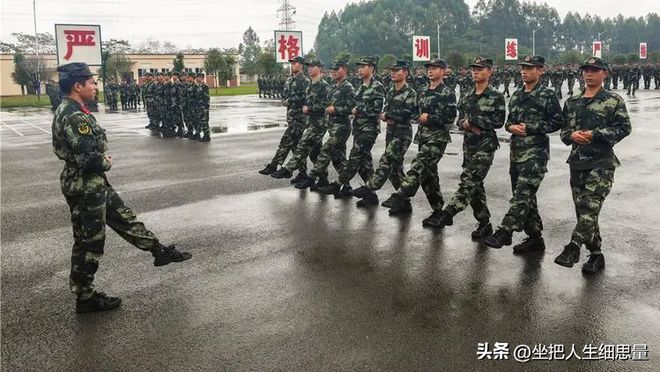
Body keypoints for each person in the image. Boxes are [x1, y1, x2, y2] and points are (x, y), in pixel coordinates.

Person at [51, 63, 192, 313]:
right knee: (89, 242)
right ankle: (85, 297)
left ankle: (159, 251)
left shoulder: (71, 109)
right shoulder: (73, 115)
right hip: (86, 185)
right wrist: (105, 161)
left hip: (91, 184)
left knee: (124, 218)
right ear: (77, 86)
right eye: (91, 83)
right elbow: (88, 158)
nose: (95, 87)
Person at [554, 57, 631, 274]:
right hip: (577, 163)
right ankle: (596, 254)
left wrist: (595, 135)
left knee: (590, 206)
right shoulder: (572, 102)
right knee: (585, 212)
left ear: (604, 73)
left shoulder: (613, 101)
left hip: (602, 163)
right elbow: (563, 133)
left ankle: (573, 247)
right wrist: (572, 135)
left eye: (595, 70)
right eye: (586, 70)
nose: (589, 73)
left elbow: (624, 128)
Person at [483, 55, 562, 252]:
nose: (524, 71)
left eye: (530, 68)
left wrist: (531, 128)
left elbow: (557, 122)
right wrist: (511, 128)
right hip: (516, 153)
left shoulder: (547, 95)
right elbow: (509, 121)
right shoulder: (517, 95)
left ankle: (506, 230)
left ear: (541, 70)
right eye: (523, 68)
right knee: (526, 197)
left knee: (523, 194)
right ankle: (535, 237)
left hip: (536, 154)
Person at [424, 57, 505, 240]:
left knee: (469, 179)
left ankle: (449, 213)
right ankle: (484, 223)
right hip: (469, 145)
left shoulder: (495, 96)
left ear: (489, 71)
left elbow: (499, 121)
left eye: (480, 69)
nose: (475, 71)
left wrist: (475, 122)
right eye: (473, 69)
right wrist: (465, 123)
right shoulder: (467, 96)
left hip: (485, 145)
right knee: (476, 186)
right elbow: (459, 119)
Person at [385, 58, 457, 223]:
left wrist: (430, 117)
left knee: (418, 166)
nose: (430, 71)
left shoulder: (447, 92)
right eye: (429, 68)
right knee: (428, 176)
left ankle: (401, 195)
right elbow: (416, 112)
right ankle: (438, 211)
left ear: (443, 71)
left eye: (435, 68)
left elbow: (450, 117)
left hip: (437, 138)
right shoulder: (423, 91)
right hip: (423, 137)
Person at [352, 60, 417, 207]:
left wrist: (389, 115)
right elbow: (385, 112)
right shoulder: (390, 91)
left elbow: (407, 114)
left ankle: (369, 188)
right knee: (395, 169)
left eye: (397, 70)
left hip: (402, 134)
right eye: (392, 70)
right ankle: (404, 202)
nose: (393, 73)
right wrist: (389, 116)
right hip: (391, 132)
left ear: (405, 73)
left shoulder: (410, 92)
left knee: (386, 160)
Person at [318, 56, 385, 197]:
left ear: (372, 68)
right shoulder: (361, 86)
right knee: (364, 164)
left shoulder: (377, 86)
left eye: (363, 66)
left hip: (369, 130)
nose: (360, 69)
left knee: (354, 158)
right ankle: (371, 195)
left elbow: (376, 110)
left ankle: (337, 185)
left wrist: (358, 110)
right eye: (359, 67)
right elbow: (352, 106)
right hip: (358, 129)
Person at [270, 59, 330, 184]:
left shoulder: (324, 86)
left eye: (312, 66)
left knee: (302, 146)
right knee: (315, 153)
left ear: (319, 68)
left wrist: (309, 108)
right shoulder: (310, 85)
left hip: (319, 123)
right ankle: (323, 179)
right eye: (308, 66)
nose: (309, 68)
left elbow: (326, 106)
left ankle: (287, 169)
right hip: (309, 123)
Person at [258, 56, 310, 175]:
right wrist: (285, 100)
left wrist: (290, 100)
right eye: (292, 64)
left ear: (301, 65)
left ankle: (273, 165)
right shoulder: (289, 80)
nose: (293, 65)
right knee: (296, 147)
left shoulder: (305, 81)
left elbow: (305, 98)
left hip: (299, 119)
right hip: (291, 117)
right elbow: (284, 95)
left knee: (285, 141)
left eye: (295, 63)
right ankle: (303, 174)